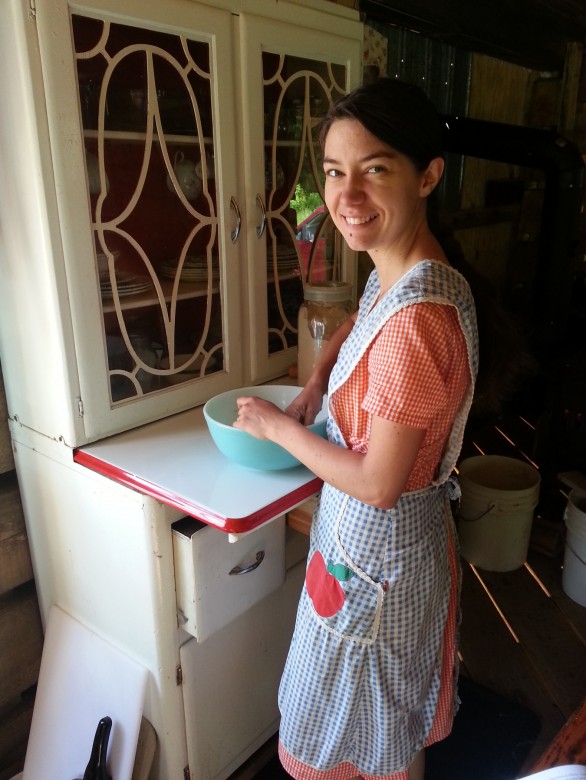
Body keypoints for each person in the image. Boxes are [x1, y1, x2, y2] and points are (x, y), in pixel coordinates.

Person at [234, 78, 479, 780]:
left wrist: (277, 428)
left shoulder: (417, 324)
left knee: (365, 728)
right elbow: (360, 318)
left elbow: (376, 484)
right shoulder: (409, 274)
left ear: (427, 175)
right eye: (335, 172)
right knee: (383, 719)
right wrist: (317, 381)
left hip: (379, 562)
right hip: (377, 557)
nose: (347, 195)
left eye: (374, 169)